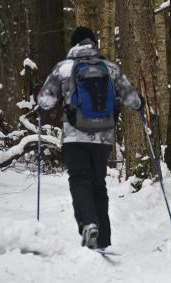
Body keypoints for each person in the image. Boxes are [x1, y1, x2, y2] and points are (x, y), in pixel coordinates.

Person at [37, 26, 143, 250]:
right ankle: (102, 240)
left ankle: (88, 223)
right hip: (102, 138)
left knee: (79, 181)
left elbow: (45, 101)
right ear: (93, 44)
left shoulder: (63, 68)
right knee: (98, 185)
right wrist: (140, 103)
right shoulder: (109, 67)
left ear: (73, 44)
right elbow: (131, 99)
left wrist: (40, 95)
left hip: (74, 137)